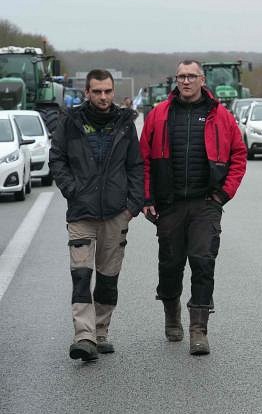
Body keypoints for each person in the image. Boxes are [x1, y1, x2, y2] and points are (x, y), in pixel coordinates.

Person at [139, 60, 246, 355]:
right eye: (181, 76)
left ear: (202, 80)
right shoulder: (159, 115)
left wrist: (224, 194)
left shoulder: (220, 116)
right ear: (176, 80)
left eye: (191, 76)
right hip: (169, 204)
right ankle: (171, 315)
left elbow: (238, 154)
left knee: (202, 262)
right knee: (170, 265)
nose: (185, 81)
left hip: (206, 203)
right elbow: (144, 159)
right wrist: (146, 199)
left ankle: (199, 329)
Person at [49, 69, 144, 362]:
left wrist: (132, 206)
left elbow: (136, 166)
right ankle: (84, 336)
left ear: (113, 92)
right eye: (97, 92)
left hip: (116, 213)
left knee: (107, 278)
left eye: (107, 91)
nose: (103, 97)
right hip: (81, 213)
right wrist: (71, 190)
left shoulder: (125, 124)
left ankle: (101, 331)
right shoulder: (71, 122)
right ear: (87, 93)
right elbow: (57, 159)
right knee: (81, 276)